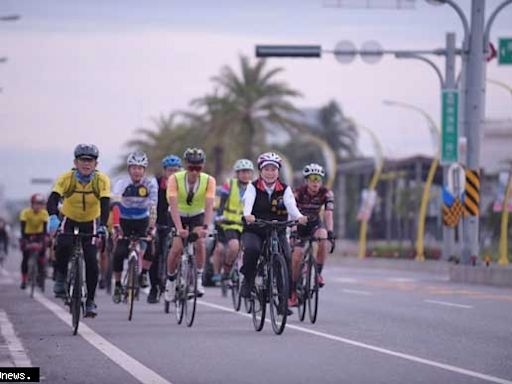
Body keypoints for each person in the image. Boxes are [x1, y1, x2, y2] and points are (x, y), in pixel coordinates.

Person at [47, 144, 111, 317]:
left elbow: (105, 204)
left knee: (91, 260)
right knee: (63, 245)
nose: (86, 164)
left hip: (90, 221)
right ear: (75, 162)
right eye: (82, 160)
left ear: (95, 164)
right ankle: (60, 278)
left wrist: (103, 225)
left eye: (90, 160)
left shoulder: (101, 180)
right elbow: (52, 199)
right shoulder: (66, 178)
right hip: (69, 219)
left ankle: (90, 301)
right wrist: (53, 217)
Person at [240, 152, 307, 299]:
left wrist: (299, 217)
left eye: (274, 169)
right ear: (260, 171)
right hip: (256, 229)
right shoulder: (253, 187)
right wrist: (247, 215)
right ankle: (248, 280)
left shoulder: (285, 188)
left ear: (278, 171)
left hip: (278, 229)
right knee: (252, 250)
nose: (270, 173)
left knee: (287, 257)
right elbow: (248, 202)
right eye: (267, 169)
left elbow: (291, 205)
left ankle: (284, 299)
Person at [164, 148, 216, 301]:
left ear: (203, 166)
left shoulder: (209, 180)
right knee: (177, 248)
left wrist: (206, 228)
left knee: (200, 242)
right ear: (185, 166)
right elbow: (172, 205)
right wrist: (179, 229)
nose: (194, 172)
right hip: (177, 214)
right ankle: (171, 281)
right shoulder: (174, 178)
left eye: (198, 168)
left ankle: (198, 279)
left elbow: (209, 205)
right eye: (191, 167)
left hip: (196, 214)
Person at [111, 151, 158, 304]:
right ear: (129, 169)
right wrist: (116, 225)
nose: (137, 171)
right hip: (124, 220)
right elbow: (116, 206)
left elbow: (153, 208)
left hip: (142, 220)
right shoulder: (121, 184)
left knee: (151, 246)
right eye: (134, 168)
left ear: (144, 170)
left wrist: (152, 227)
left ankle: (143, 273)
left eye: (140, 168)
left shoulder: (150, 184)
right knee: (119, 252)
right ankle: (118, 285)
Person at [289, 163, 335, 307]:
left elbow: (328, 214)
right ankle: (293, 291)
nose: (316, 182)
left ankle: (318, 274)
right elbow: (292, 213)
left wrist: (331, 232)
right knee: (297, 256)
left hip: (315, 223)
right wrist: (294, 231)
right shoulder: (297, 193)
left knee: (323, 237)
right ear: (306, 181)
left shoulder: (327, 193)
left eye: (318, 179)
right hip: (300, 224)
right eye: (312, 179)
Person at [212, 159, 254, 284]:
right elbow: (221, 203)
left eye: (248, 172)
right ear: (237, 173)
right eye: (242, 172)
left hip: (245, 225)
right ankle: (226, 269)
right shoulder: (229, 185)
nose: (245, 175)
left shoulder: (254, 187)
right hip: (228, 223)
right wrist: (219, 216)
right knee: (233, 246)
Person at [147, 154, 182, 304]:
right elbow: (151, 205)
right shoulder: (155, 184)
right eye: (170, 170)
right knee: (154, 253)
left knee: (179, 251)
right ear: (164, 171)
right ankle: (154, 288)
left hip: (176, 224)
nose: (172, 174)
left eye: (176, 170)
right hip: (159, 223)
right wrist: (151, 224)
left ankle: (177, 282)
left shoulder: (183, 185)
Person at [19, 194, 49, 289]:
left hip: (39, 235)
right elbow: (22, 228)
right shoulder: (25, 213)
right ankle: (24, 279)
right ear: (32, 204)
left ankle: (41, 275)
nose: (38, 206)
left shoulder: (44, 213)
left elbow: (44, 229)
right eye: (36, 204)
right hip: (27, 235)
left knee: (42, 253)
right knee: (25, 257)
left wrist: (43, 240)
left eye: (40, 204)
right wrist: (24, 240)